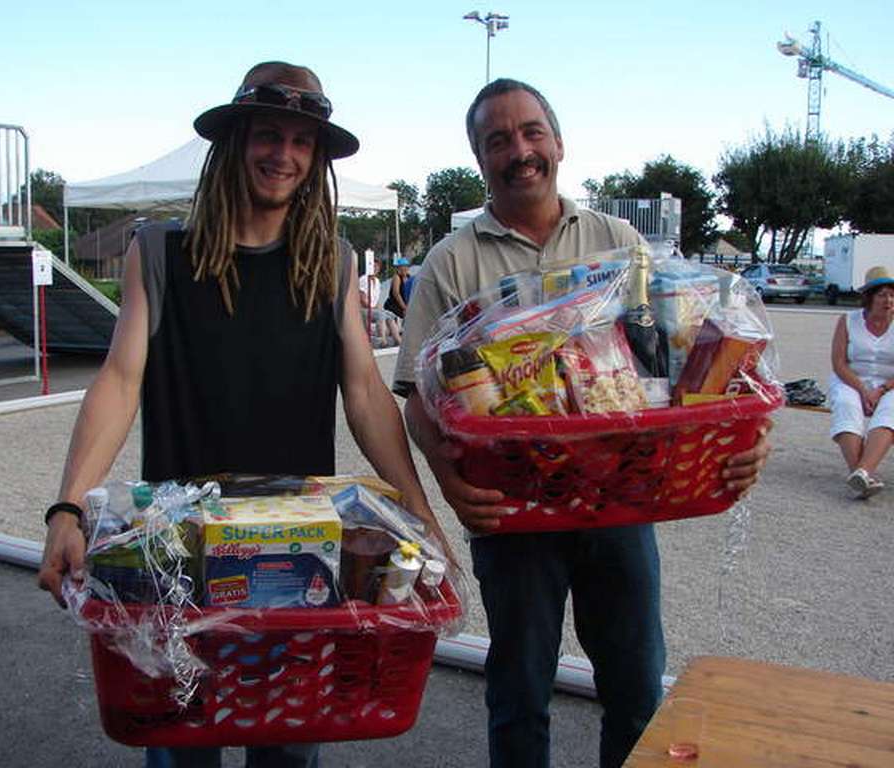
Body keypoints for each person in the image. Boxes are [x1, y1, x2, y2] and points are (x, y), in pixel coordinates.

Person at [37, 61, 451, 768]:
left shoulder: (332, 260)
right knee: (181, 744)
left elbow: (365, 394)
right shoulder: (160, 251)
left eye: (301, 141)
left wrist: (419, 511)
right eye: (268, 134)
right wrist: (67, 508)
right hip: (176, 558)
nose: (283, 155)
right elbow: (120, 376)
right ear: (234, 142)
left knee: (289, 746)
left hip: (298, 560)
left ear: (316, 158)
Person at [393, 78, 772, 768]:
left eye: (532, 131)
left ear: (558, 143)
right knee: (518, 691)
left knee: (633, 687)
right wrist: (449, 482)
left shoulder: (616, 241)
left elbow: (677, 364)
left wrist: (749, 437)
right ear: (480, 158)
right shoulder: (453, 260)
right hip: (514, 507)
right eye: (498, 139)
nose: (520, 150)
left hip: (619, 498)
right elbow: (418, 394)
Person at [829, 265, 894, 498]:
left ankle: (861, 472)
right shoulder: (848, 320)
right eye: (882, 294)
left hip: (890, 383)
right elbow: (838, 363)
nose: (888, 300)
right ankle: (861, 475)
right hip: (852, 378)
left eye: (892, 294)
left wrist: (881, 389)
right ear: (869, 298)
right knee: (846, 404)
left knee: (890, 409)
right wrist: (863, 390)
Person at [358, 257, 401, 346]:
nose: (375, 268)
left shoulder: (377, 281)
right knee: (380, 315)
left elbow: (376, 300)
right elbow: (362, 300)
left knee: (390, 315)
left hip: (373, 309)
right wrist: (376, 309)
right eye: (373, 266)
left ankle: (397, 340)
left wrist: (380, 309)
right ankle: (383, 340)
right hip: (363, 309)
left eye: (377, 267)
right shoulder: (363, 279)